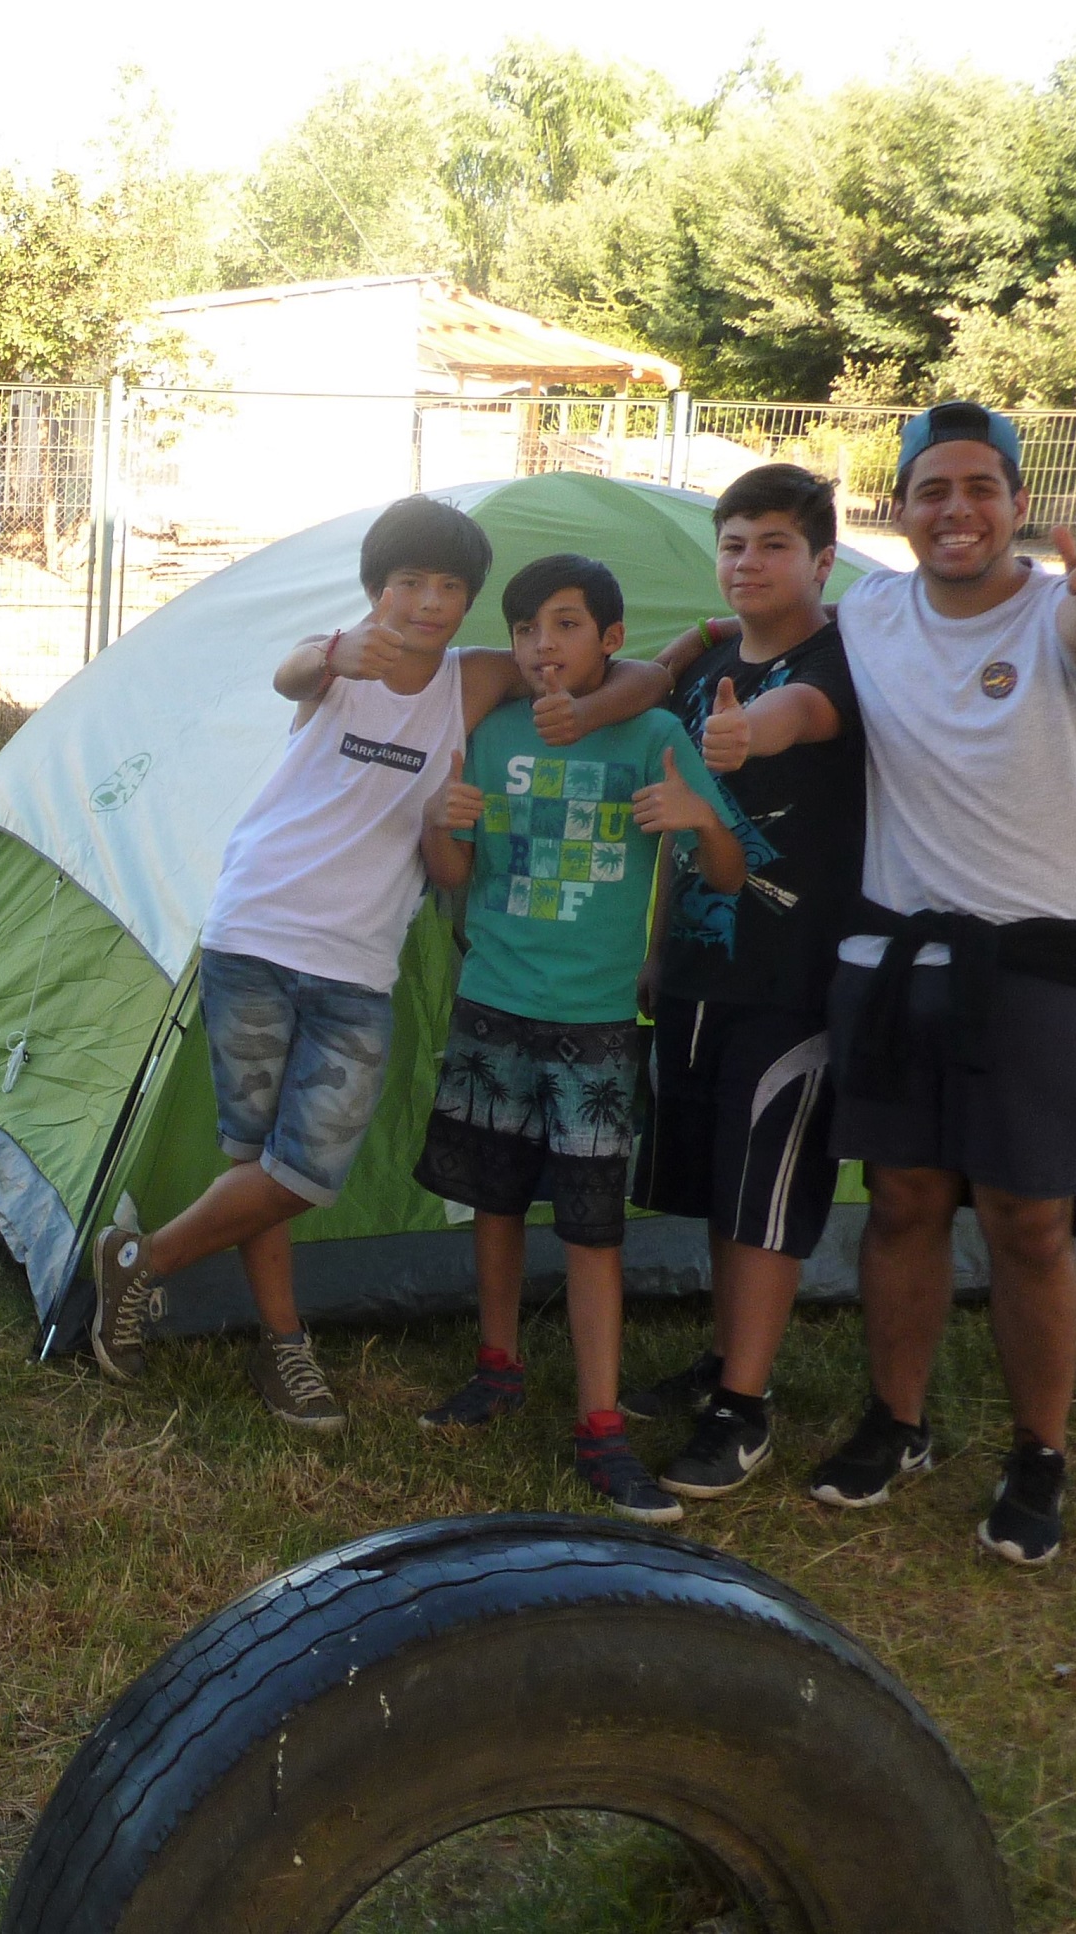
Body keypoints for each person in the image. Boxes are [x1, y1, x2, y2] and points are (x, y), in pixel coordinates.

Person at [85, 496, 676, 1430]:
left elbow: (643, 673)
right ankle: (284, 1344)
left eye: (449, 586)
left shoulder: (474, 678)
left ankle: (141, 1260)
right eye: (409, 582)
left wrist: (586, 711)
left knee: (304, 1169)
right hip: (255, 931)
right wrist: (330, 654)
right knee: (257, 1157)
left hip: (360, 960)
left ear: (470, 600)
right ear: (375, 590)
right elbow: (286, 673)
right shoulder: (341, 659)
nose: (429, 602)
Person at [810, 402, 1076, 1567]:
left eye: (979, 488)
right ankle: (896, 1423)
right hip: (902, 949)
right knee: (904, 1197)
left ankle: (1038, 1453)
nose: (956, 510)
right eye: (932, 490)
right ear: (901, 507)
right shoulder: (870, 611)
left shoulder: (1061, 614)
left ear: (1015, 503)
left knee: (1027, 1218)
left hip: (1041, 958)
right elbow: (778, 634)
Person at [413, 552, 748, 1523]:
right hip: (493, 1001)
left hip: (597, 1019)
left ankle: (601, 1426)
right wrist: (440, 824)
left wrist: (699, 821)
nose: (540, 646)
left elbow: (727, 872)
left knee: (593, 1228)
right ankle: (498, 1367)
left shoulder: (653, 735)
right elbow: (452, 873)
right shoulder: (491, 731)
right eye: (525, 629)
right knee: (494, 1200)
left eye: (564, 624)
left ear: (613, 638)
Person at [617, 464, 866, 1499]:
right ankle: (726, 1361)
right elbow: (678, 825)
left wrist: (746, 730)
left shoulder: (845, 660)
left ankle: (744, 1410)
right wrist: (656, 949)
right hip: (696, 969)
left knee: (767, 1189)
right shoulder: (711, 657)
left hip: (790, 980)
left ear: (822, 559)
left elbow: (800, 714)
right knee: (724, 1181)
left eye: (773, 544)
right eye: (732, 544)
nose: (748, 563)